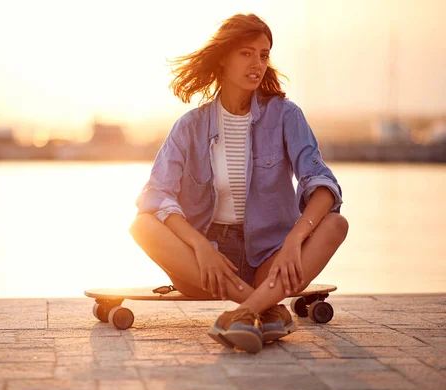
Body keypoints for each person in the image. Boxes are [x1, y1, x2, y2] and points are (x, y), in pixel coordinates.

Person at [129, 13, 348, 354]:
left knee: (335, 223)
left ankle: (244, 313)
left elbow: (320, 183)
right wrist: (201, 247)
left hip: (271, 261)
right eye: (246, 53)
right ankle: (265, 308)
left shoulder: (286, 115)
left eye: (263, 54)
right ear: (223, 58)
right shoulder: (190, 126)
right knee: (142, 226)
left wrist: (294, 240)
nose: (257, 63)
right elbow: (156, 195)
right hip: (208, 267)